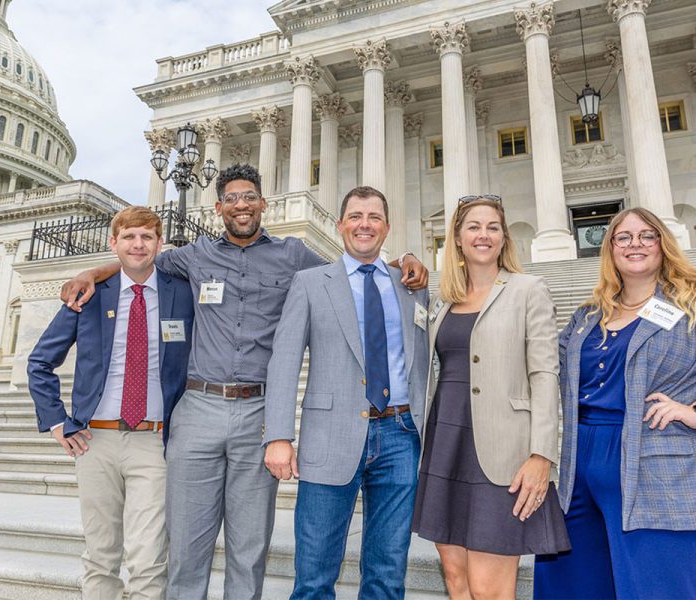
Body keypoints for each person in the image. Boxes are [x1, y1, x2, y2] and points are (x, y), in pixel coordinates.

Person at [58, 165, 428, 599]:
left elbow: (351, 273)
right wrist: (92, 273)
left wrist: (404, 260)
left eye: (249, 196)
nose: (241, 205)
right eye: (231, 198)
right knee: (186, 547)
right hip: (198, 409)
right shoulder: (194, 255)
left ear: (262, 204)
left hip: (257, 411)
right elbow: (140, 258)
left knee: (249, 548)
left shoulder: (294, 256)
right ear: (219, 208)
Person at [534, 207, 696, 599]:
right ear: (610, 248)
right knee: (577, 585)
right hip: (581, 469)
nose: (635, 243)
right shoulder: (587, 316)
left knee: (667, 585)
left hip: (663, 463)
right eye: (623, 236)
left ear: (662, 244)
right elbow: (542, 369)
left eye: (646, 235)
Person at [263, 186, 429, 599]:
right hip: (329, 436)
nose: (364, 224)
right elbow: (283, 360)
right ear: (341, 225)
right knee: (315, 573)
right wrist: (278, 435)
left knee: (388, 573)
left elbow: (425, 360)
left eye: (374, 217)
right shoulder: (309, 283)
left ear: (387, 227)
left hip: (400, 435)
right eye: (356, 216)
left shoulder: (411, 286)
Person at [28, 206, 194, 599]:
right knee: (101, 555)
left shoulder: (181, 294)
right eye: (130, 237)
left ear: (159, 243)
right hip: (95, 441)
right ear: (113, 243)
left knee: (149, 555)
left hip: (153, 442)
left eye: (147, 237)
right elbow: (40, 363)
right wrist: (58, 423)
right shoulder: (88, 296)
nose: (138, 245)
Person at [412, 195, 570, 599]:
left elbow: (545, 373)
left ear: (504, 238)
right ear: (458, 239)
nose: (483, 235)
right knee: (455, 578)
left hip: (503, 454)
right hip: (445, 443)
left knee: (489, 588)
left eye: (492, 227)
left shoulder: (528, 289)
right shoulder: (442, 298)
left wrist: (542, 455)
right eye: (474, 227)